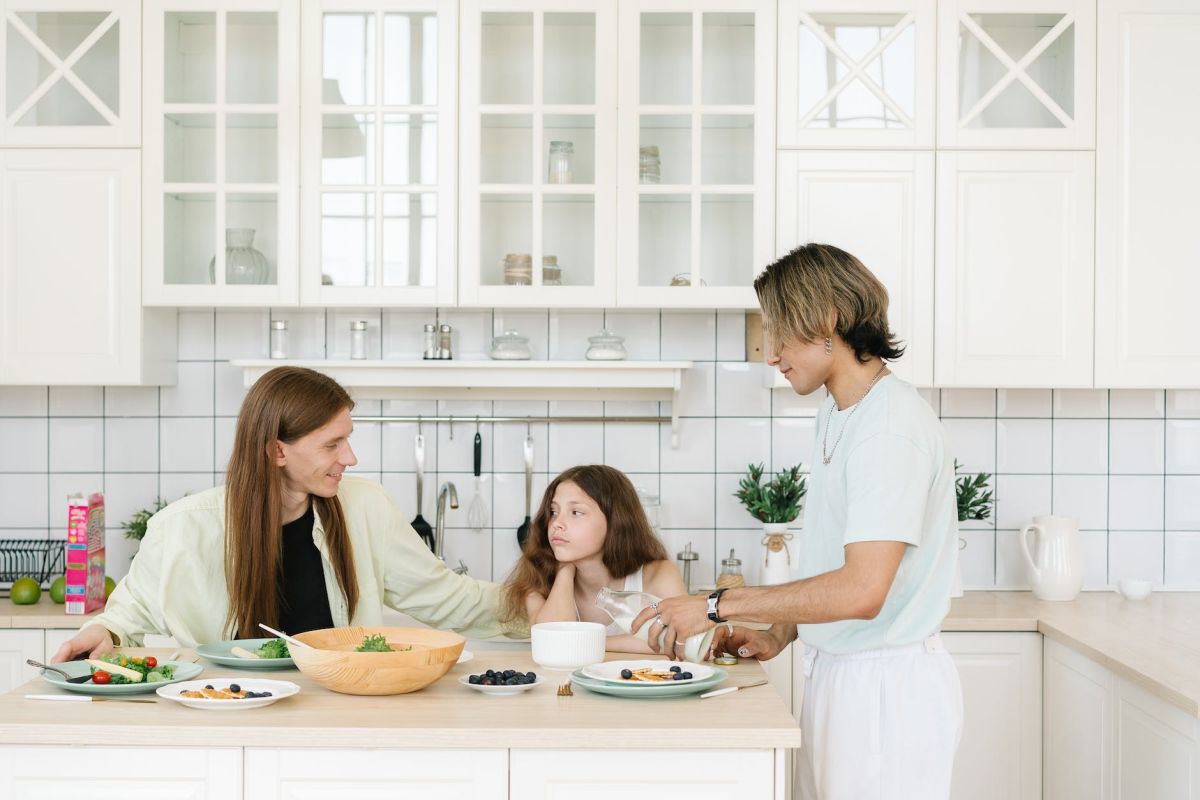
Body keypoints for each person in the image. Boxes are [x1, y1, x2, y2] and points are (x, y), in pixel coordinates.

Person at [634, 243, 962, 799]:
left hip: (887, 694)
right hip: (845, 676)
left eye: (778, 332)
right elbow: (836, 564)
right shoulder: (839, 413)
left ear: (827, 320)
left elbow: (862, 591)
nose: (770, 354)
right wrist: (780, 633)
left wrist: (715, 605)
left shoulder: (889, 428)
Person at [53, 366, 514, 662]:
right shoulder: (182, 529)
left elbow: (449, 598)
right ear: (277, 451)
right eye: (332, 443)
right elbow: (123, 620)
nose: (350, 457)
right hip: (224, 716)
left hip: (337, 718)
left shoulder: (364, 508)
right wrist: (102, 635)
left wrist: (548, 601)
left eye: (347, 439)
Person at [500, 464, 685, 652]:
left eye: (576, 513)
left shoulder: (660, 574)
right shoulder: (538, 584)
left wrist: (587, 643)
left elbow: (681, 641)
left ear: (616, 520)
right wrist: (565, 570)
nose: (556, 523)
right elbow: (553, 644)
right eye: (554, 512)